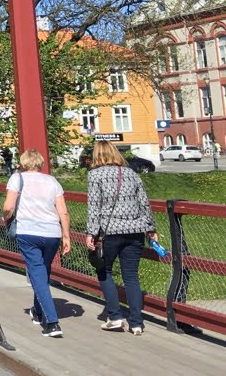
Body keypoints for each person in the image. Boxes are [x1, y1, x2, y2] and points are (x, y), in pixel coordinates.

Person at [86, 139, 158, 336]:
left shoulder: (95, 175)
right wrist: (150, 229)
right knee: (131, 276)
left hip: (110, 233)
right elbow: (144, 202)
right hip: (135, 232)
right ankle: (136, 323)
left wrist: (91, 233)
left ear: (97, 155)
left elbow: (94, 207)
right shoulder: (130, 173)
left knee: (104, 271)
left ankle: (115, 317)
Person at [3, 148, 71, 338]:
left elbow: (8, 206)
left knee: (37, 273)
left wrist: (6, 218)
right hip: (52, 233)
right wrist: (66, 235)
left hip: (28, 232)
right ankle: (38, 310)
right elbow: (63, 211)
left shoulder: (17, 179)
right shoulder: (52, 181)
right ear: (40, 163)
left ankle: (52, 322)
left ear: (23, 163)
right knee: (42, 271)